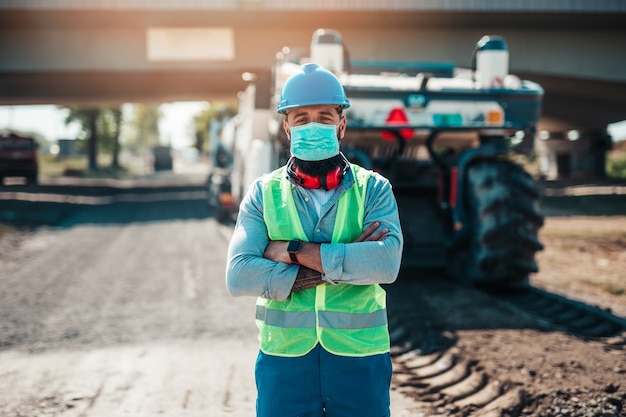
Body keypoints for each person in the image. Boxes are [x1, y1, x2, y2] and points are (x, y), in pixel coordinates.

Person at [225, 62, 403, 417]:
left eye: (324, 116)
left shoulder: (373, 189)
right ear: (286, 126)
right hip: (285, 360)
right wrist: (348, 261)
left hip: (359, 358)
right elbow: (239, 275)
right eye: (301, 117)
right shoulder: (263, 193)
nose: (313, 125)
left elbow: (386, 263)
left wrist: (290, 251)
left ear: (342, 124)